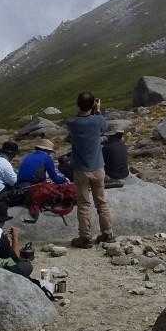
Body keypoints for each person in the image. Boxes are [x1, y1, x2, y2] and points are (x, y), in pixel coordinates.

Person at [66, 92, 113, 249]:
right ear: (93, 104)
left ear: (78, 104)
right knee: (101, 202)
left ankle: (85, 238)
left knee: (83, 204)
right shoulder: (98, 120)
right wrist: (97, 110)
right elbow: (104, 128)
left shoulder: (72, 123)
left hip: (81, 170)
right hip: (98, 168)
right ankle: (107, 233)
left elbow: (76, 122)